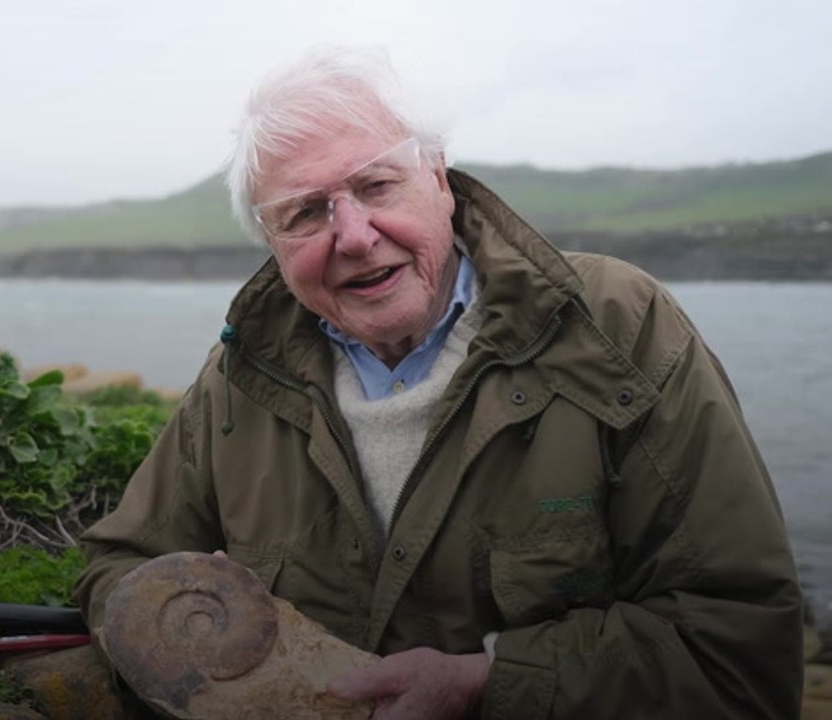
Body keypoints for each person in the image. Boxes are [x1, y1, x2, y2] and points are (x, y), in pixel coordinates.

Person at [74, 46, 804, 718]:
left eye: (376, 183)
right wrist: (219, 673)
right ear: (273, 241)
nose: (354, 234)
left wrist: (490, 682)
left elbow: (738, 648)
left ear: (439, 176)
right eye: (305, 212)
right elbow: (122, 567)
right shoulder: (241, 375)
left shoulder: (618, 325)